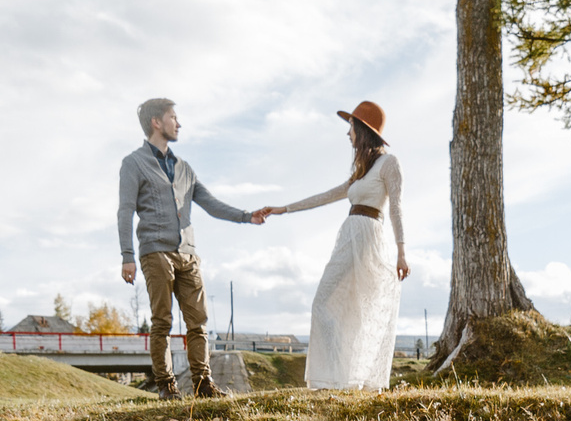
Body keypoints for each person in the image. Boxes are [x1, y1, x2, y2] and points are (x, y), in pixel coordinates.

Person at [256, 101, 409, 391]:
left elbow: (396, 209)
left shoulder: (389, 163)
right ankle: (338, 378)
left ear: (363, 130)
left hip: (368, 238)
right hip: (348, 236)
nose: (348, 134)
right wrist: (283, 209)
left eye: (350, 127)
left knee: (346, 307)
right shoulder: (362, 170)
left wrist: (402, 252)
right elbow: (325, 196)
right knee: (328, 306)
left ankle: (346, 380)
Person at [118, 98, 264, 400]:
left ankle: (202, 383)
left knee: (199, 322)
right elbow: (125, 211)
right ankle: (166, 386)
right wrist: (127, 256)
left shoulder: (184, 168)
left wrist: (246, 216)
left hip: (188, 253)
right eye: (174, 117)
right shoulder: (133, 163)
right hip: (155, 252)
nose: (179, 123)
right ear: (157, 122)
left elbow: (210, 203)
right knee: (162, 321)